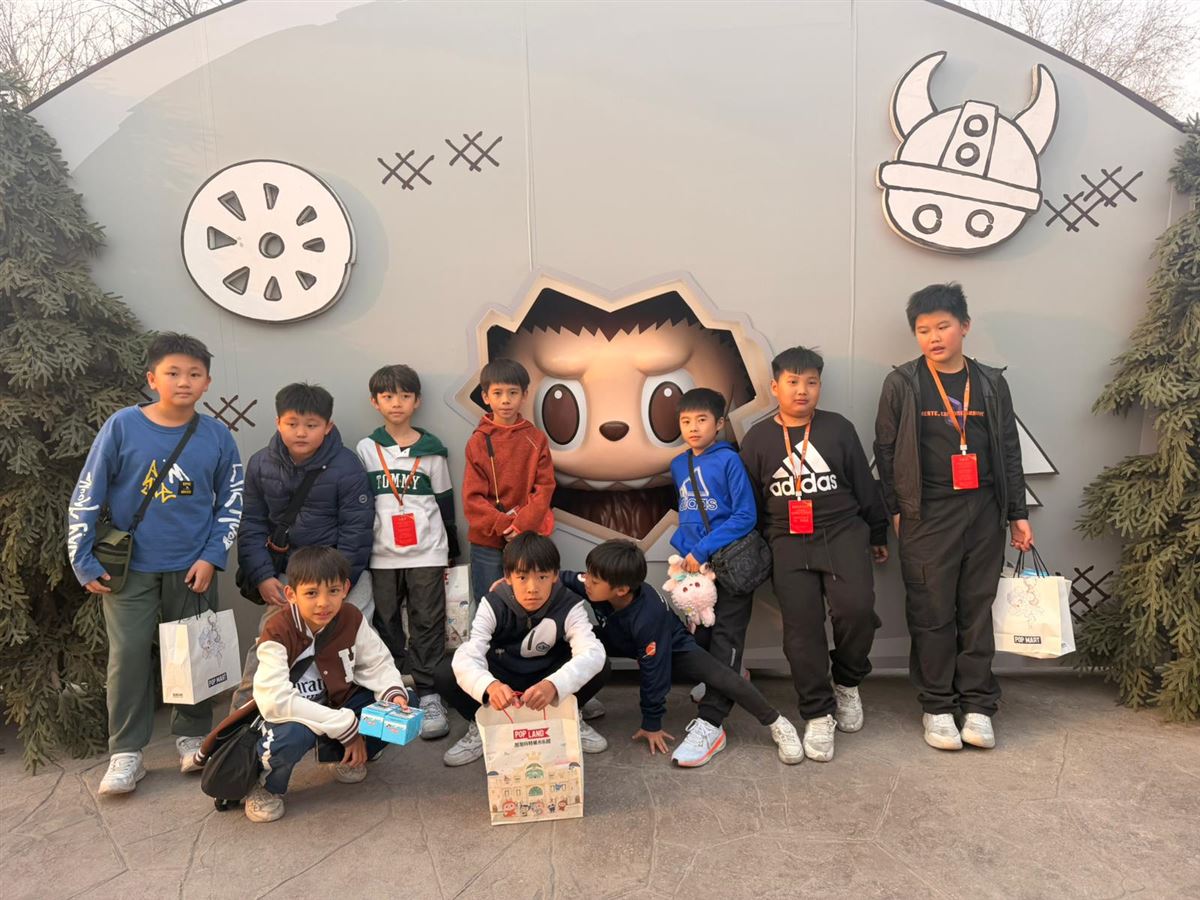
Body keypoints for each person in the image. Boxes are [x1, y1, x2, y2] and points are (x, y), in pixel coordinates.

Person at [67, 333, 242, 795]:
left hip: (193, 568)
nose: (184, 381)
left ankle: (193, 736)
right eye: (173, 373)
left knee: (194, 653)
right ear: (152, 379)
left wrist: (212, 556)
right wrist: (82, 559)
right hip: (129, 570)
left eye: (194, 374)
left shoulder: (217, 435)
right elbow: (89, 490)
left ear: (207, 383)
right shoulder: (122, 426)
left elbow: (231, 501)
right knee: (127, 656)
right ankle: (126, 752)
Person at [874, 283, 1033, 751]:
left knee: (977, 609)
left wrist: (1017, 513)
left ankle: (979, 705)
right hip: (927, 514)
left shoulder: (990, 383)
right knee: (932, 612)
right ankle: (938, 706)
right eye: (923, 330)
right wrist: (897, 511)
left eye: (942, 326)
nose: (933, 337)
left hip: (983, 510)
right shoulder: (902, 383)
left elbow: (1009, 449)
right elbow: (885, 452)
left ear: (964, 326)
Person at [740, 347, 889, 762]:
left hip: (842, 533)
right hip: (787, 540)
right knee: (801, 630)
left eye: (811, 382)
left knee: (857, 610)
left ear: (820, 386)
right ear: (775, 387)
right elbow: (750, 502)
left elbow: (864, 483)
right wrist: (762, 545)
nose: (802, 390)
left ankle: (847, 682)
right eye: (792, 382)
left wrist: (877, 530)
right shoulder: (757, 438)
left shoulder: (838, 428)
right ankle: (818, 713)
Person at [560, 539, 804, 766]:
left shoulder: (647, 617)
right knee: (562, 643)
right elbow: (564, 578)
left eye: (594, 580)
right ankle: (575, 702)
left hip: (672, 646)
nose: (586, 581)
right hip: (620, 637)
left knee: (722, 676)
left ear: (621, 590)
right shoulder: (597, 583)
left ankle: (777, 722)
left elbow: (654, 674)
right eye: (588, 575)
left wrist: (652, 723)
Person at [230, 383, 375, 710]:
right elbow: (251, 524)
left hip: (342, 575)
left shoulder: (347, 466)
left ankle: (351, 723)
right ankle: (241, 722)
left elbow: (356, 531)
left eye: (311, 425)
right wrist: (263, 576)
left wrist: (335, 587)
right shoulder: (260, 464)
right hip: (288, 576)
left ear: (328, 426)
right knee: (270, 644)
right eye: (292, 423)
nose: (300, 432)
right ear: (278, 422)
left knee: (353, 647)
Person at [245, 546, 410, 823]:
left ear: (345, 588)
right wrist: (346, 727)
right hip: (295, 716)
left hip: (337, 703)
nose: (323, 603)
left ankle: (349, 757)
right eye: (311, 593)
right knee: (292, 737)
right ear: (291, 594)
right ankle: (266, 786)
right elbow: (276, 701)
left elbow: (378, 663)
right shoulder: (277, 629)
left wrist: (393, 695)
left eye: (333, 591)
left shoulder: (351, 617)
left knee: (402, 705)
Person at [433, 532, 609, 767]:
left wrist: (554, 685)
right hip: (504, 680)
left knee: (600, 664)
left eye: (542, 577)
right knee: (445, 672)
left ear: (555, 575)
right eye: (522, 577)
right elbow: (470, 653)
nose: (532, 588)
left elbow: (591, 652)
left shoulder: (569, 604)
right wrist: (489, 686)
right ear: (508, 577)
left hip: (546, 678)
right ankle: (481, 723)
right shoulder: (493, 603)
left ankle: (569, 716)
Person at [356, 363, 459, 740]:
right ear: (375, 402)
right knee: (384, 622)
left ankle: (430, 694)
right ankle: (393, 692)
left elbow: (445, 503)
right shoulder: (367, 449)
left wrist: (451, 548)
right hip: (381, 552)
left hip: (427, 552)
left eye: (404, 395)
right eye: (388, 396)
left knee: (427, 621)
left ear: (417, 401)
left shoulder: (433, 451)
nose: (396, 403)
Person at [664, 387, 759, 765]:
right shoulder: (678, 464)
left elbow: (745, 515)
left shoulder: (729, 460)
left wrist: (702, 549)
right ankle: (731, 675)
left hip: (729, 565)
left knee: (725, 639)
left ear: (719, 424)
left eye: (701, 420)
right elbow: (686, 513)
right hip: (694, 569)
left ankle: (712, 724)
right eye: (685, 421)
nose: (693, 427)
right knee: (699, 633)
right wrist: (684, 554)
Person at [462, 358, 555, 605]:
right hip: (487, 541)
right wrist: (505, 526)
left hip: (528, 539)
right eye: (498, 393)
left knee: (531, 603)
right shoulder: (478, 441)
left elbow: (544, 488)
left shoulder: (536, 439)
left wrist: (521, 525)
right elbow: (472, 498)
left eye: (513, 393)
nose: (505, 400)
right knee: (489, 605)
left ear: (524, 395)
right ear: (485, 397)